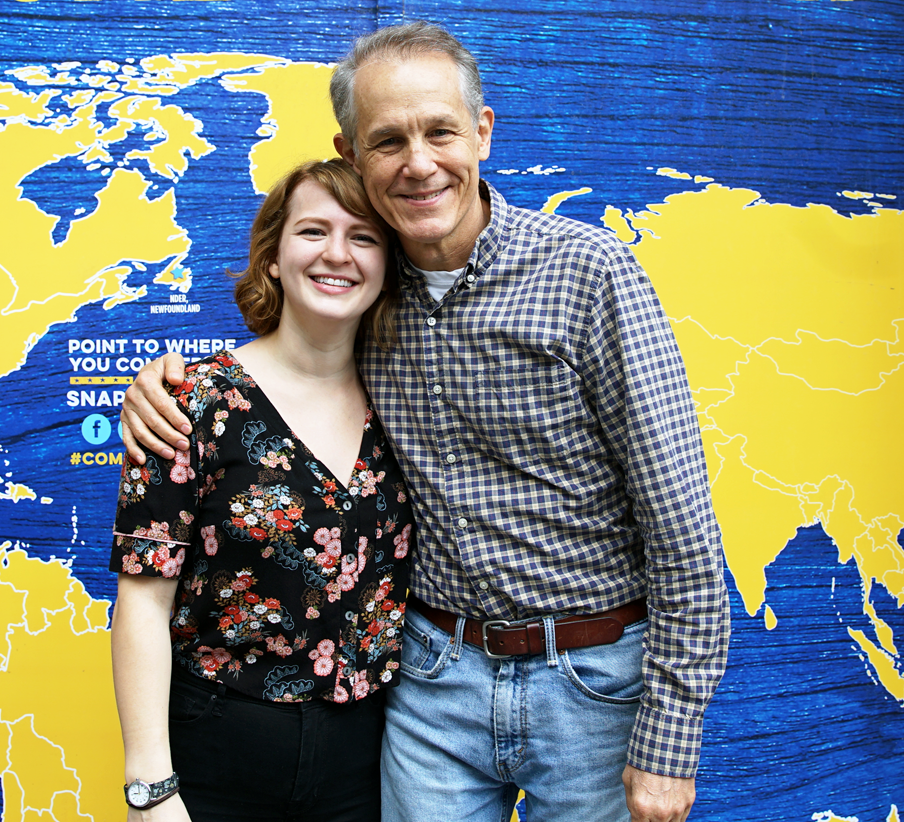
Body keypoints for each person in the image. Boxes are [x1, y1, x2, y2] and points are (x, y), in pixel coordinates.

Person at [120, 22, 730, 822]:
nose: (418, 162)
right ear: (352, 154)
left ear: (481, 132)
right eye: (387, 140)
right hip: (430, 686)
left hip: (592, 686)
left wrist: (669, 742)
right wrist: (168, 380)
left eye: (441, 130)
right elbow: (290, 354)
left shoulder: (589, 272)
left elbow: (680, 523)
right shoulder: (370, 282)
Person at [110, 158, 415, 822]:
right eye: (312, 231)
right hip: (215, 753)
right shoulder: (190, 402)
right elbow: (141, 602)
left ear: (388, 263)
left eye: (363, 237)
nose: (337, 253)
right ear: (273, 256)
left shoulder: (409, 404)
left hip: (366, 765)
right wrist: (150, 790)